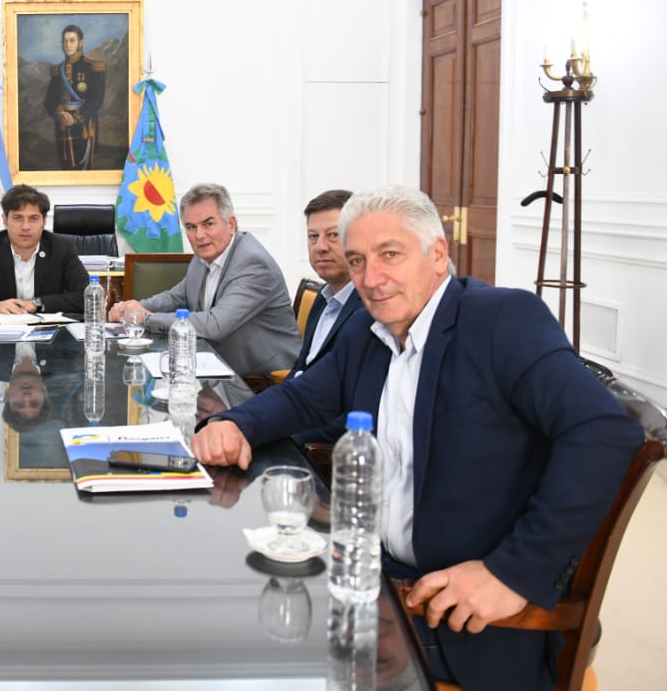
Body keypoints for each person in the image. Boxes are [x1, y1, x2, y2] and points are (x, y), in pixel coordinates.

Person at [192, 185, 643, 691]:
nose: (371, 278)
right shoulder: (370, 332)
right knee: (240, 616)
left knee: (262, 657)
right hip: (377, 582)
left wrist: (513, 572)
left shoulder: (502, 321)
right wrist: (234, 423)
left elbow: (605, 430)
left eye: (390, 254)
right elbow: (302, 398)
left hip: (457, 618)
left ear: (437, 253)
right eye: (358, 260)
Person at [108, 183, 301, 376]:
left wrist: (144, 319)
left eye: (208, 224)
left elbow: (215, 325)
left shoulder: (253, 263)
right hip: (218, 364)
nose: (199, 235)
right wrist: (131, 308)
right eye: (191, 227)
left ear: (231, 224)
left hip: (266, 376)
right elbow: (176, 297)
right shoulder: (204, 257)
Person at [0, 184, 89, 317]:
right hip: (2, 329)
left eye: (33, 218)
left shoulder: (62, 247)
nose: (25, 227)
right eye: (17, 218)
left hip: (48, 329)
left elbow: (86, 295)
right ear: (5, 220)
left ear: (44, 221)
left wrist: (38, 304)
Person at [292, 189, 363, 376]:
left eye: (333, 235)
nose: (320, 247)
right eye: (313, 236)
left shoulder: (370, 308)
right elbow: (301, 368)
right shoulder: (323, 297)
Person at [42, 24, 106, 170]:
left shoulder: (93, 68)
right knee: (65, 167)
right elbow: (49, 101)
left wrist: (76, 117)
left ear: (80, 43)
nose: (67, 45)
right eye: (65, 41)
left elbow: (96, 100)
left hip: (84, 126)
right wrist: (59, 113)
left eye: (72, 40)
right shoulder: (58, 70)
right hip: (62, 126)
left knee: (83, 168)